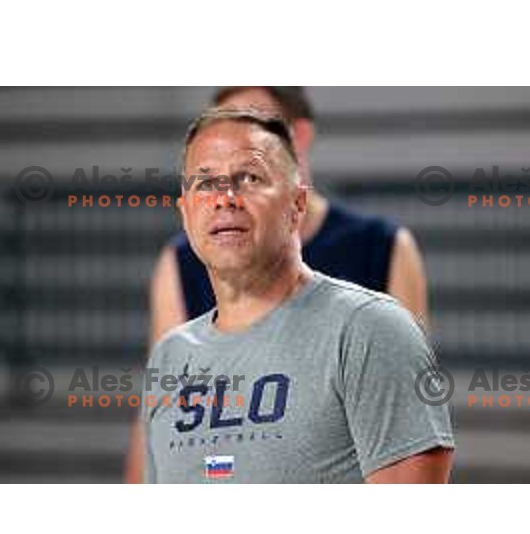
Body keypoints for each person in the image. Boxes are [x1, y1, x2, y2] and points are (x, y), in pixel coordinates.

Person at [137, 108, 454, 483]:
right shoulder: (170, 357)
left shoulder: (370, 330)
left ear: (297, 204)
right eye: (205, 184)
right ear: (185, 212)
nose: (225, 198)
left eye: (249, 178)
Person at [149, 87, 428, 351]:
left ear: (299, 135)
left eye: (255, 122)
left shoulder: (383, 246)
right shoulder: (181, 258)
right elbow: (168, 390)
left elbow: (406, 380)